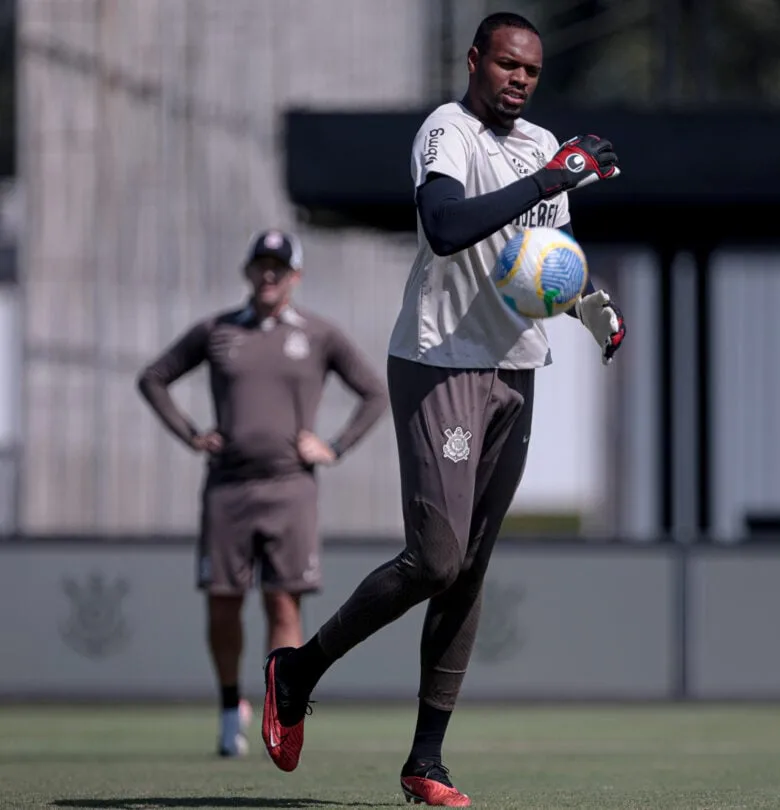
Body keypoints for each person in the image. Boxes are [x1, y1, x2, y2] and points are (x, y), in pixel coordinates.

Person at [260, 11, 626, 806]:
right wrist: (551, 179)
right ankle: (297, 669)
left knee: (471, 569)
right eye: (505, 64)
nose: (519, 79)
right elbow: (445, 224)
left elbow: (540, 268)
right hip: (439, 361)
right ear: (474, 62)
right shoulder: (448, 130)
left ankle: (426, 761)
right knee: (436, 556)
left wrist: (589, 305)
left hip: (516, 369)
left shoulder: (541, 145)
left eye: (530, 69)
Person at [137, 229, 388, 758]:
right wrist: (191, 434)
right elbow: (154, 378)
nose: (269, 275)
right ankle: (231, 708)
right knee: (223, 603)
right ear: (248, 272)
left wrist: (335, 446)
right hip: (227, 488)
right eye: (261, 265)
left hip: (290, 489)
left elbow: (373, 391)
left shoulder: (319, 334)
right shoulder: (218, 331)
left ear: (296, 276)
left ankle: (282, 711)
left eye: (280, 266)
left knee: (282, 599)